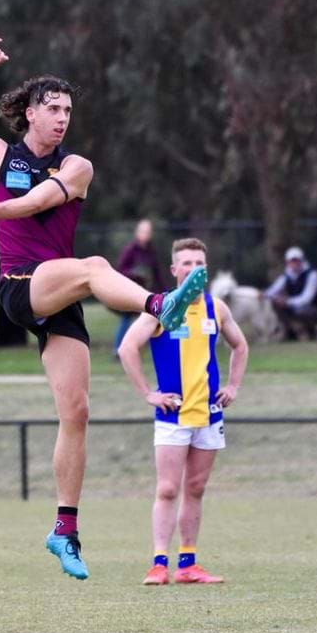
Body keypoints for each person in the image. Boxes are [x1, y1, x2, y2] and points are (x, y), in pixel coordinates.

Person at [0, 36, 208, 580]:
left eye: (68, 111)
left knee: (77, 412)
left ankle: (64, 529)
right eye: (53, 109)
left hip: (59, 290)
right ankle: (159, 304)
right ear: (30, 113)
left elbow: (41, 201)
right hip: (21, 285)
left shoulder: (78, 167)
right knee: (95, 265)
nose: (62, 119)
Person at [117, 238, 249, 585]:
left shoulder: (215, 308)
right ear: (175, 270)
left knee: (196, 488)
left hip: (209, 414)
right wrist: (148, 393)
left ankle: (187, 564)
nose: (193, 269)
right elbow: (128, 348)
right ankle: (159, 563)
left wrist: (233, 386)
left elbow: (240, 345)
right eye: (186, 263)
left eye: (199, 264)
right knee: (167, 489)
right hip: (173, 414)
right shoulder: (161, 308)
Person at [112, 219, 165, 354]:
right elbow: (119, 270)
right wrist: (134, 274)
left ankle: (140, 349)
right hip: (130, 290)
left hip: (146, 292)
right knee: (126, 319)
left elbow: (157, 273)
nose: (145, 234)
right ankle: (117, 349)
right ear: (137, 232)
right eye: (142, 231)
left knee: (148, 320)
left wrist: (164, 291)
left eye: (147, 232)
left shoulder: (151, 252)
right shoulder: (130, 250)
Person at [265, 246, 317, 341]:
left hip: (316, 308)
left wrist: (287, 302)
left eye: (296, 260)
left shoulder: (312, 274)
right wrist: (263, 294)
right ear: (287, 262)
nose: (294, 263)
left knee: (301, 311)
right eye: (291, 261)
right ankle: (290, 333)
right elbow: (274, 289)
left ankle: (312, 331)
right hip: (295, 306)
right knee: (276, 304)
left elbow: (307, 298)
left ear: (302, 260)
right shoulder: (287, 275)